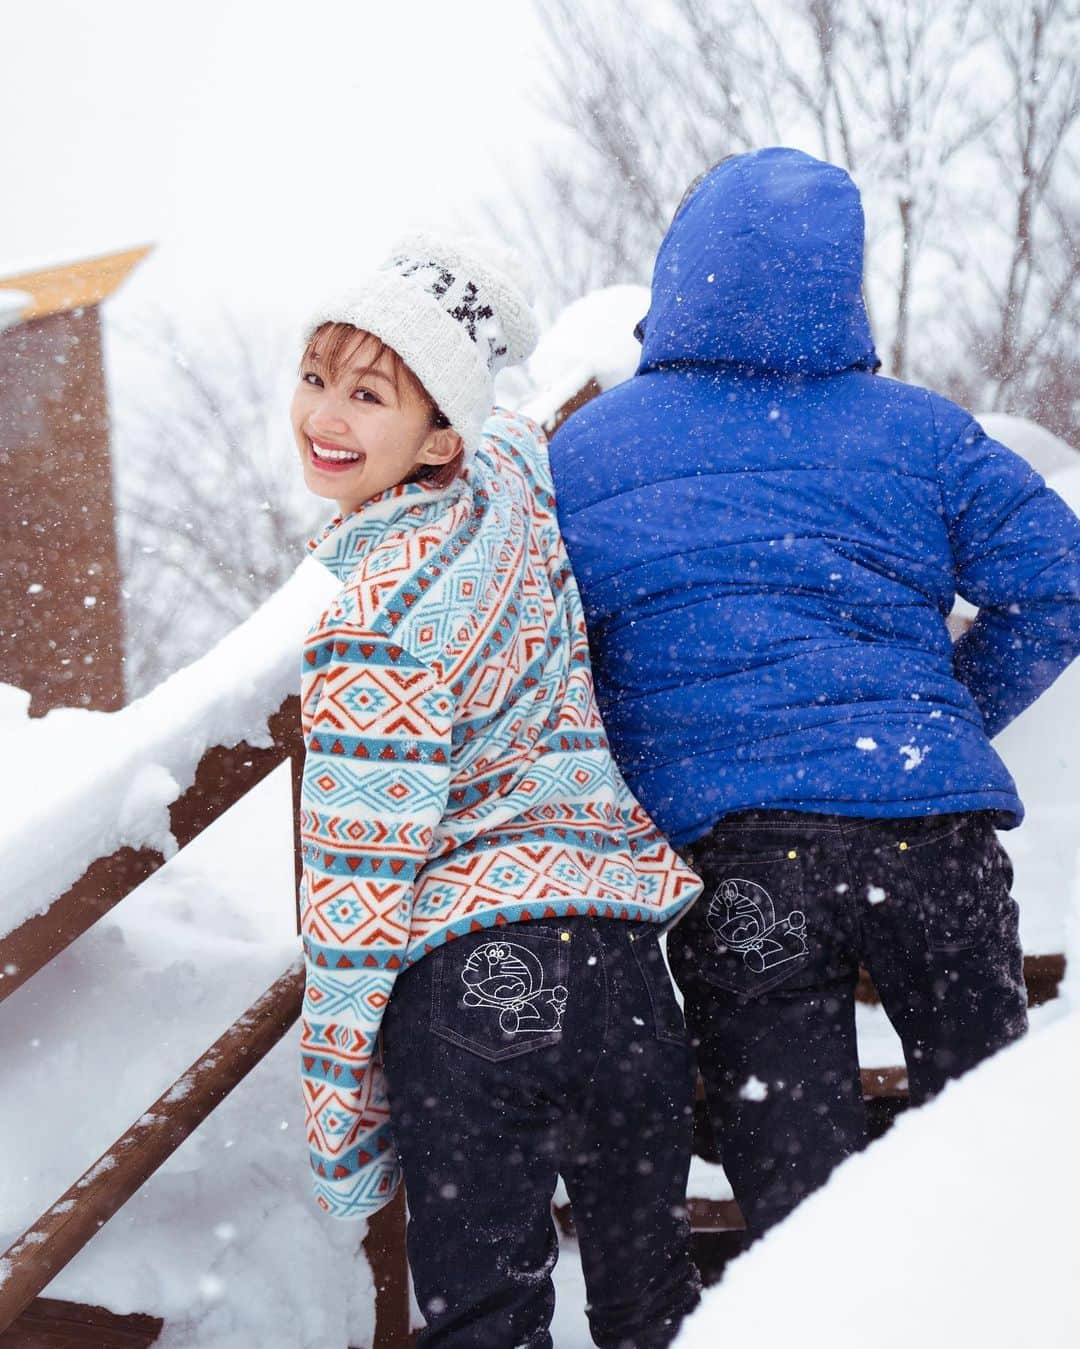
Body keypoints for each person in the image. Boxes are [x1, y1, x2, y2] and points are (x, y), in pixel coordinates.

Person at [547, 147, 1080, 1240]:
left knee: (801, 1193)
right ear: (840, 283)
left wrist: (661, 756)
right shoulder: (920, 432)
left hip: (744, 857)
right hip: (934, 839)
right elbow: (1059, 583)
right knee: (994, 1157)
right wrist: (944, 720)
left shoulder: (587, 455)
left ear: (679, 274)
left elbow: (548, 652)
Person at [292, 234, 703, 1347]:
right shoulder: (514, 488)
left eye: (369, 393)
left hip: (469, 980)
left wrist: (340, 1114)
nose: (325, 414)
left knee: (486, 1318)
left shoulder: (369, 618)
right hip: (621, 964)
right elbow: (517, 424)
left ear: (439, 432)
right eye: (317, 375)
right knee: (650, 1303)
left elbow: (356, 879)